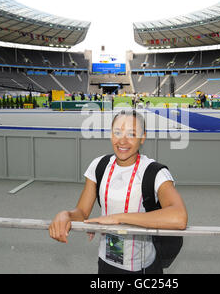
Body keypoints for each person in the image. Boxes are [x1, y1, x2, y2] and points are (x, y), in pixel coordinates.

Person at [49, 110, 188, 274]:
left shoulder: (154, 172)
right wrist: (67, 215)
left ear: (143, 137)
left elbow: (179, 217)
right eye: (117, 132)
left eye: (132, 134)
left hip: (142, 267)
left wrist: (118, 218)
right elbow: (82, 212)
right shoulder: (99, 165)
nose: (122, 140)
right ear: (110, 134)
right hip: (106, 261)